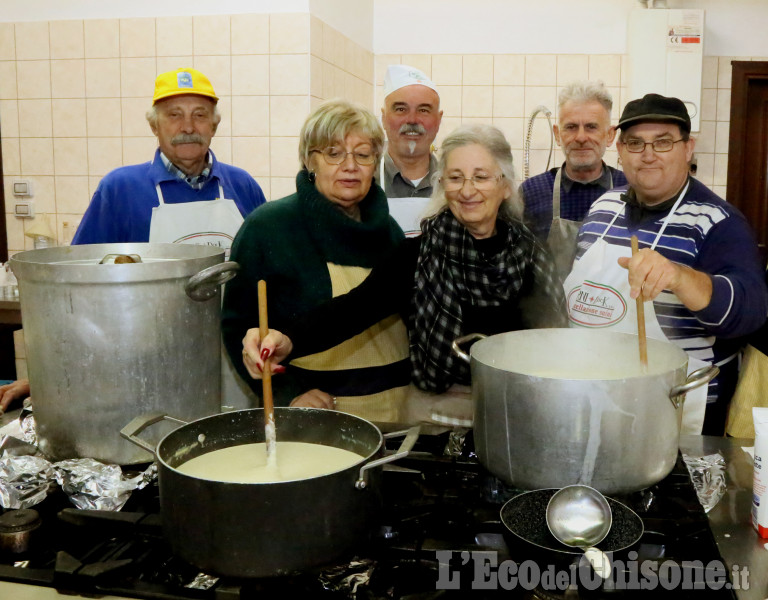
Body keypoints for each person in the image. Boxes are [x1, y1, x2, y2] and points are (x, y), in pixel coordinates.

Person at [241, 125, 567, 399]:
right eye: (455, 177)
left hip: (519, 404)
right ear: (442, 186)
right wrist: (288, 339)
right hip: (440, 411)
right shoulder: (419, 255)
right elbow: (354, 309)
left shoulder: (532, 256)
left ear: (506, 186)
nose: (467, 190)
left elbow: (555, 344)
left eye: (481, 177)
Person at [564, 93, 768, 436]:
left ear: (688, 149)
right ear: (620, 149)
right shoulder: (603, 207)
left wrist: (680, 277)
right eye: (635, 143)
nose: (647, 155)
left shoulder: (718, 222)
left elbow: (751, 310)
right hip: (596, 397)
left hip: (677, 408)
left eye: (662, 142)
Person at [222, 99, 410, 423]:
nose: (350, 166)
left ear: (375, 163)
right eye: (333, 153)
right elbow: (239, 327)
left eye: (362, 154)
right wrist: (289, 394)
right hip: (318, 420)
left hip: (397, 416)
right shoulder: (269, 228)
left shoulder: (390, 232)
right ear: (311, 162)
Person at [72, 67, 266, 249]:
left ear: (214, 126)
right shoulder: (119, 189)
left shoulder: (244, 186)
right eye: (174, 115)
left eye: (199, 115)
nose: (188, 128)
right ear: (154, 126)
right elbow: (80, 272)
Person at [521, 81, 627, 279]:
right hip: (549, 309)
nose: (580, 137)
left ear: (610, 135)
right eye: (570, 127)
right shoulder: (531, 192)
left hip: (612, 307)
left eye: (591, 127)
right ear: (557, 134)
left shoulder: (630, 191)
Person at [379, 64, 443, 235]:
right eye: (400, 109)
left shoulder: (453, 182)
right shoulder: (362, 180)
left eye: (423, 110)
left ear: (439, 119)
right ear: (384, 118)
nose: (412, 119)